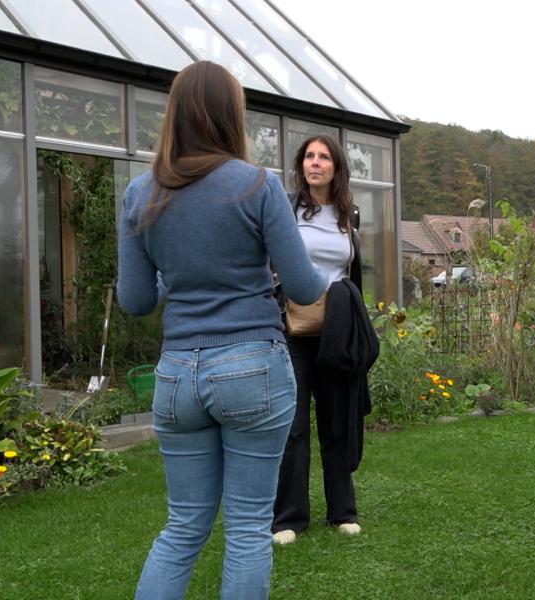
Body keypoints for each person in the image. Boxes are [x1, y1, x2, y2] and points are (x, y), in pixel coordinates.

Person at [117, 61, 326, 599]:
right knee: (249, 530)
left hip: (178, 377)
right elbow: (304, 288)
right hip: (252, 367)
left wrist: (177, 275)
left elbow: (136, 300)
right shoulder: (256, 185)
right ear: (231, 114)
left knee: (183, 527)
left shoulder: (140, 194)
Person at [272, 135, 369, 544]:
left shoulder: (350, 215)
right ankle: (290, 518)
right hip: (294, 329)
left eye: (323, 157)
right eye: (309, 156)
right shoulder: (288, 209)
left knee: (336, 421)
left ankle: (342, 512)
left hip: (336, 331)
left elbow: (351, 273)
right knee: (293, 425)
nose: (315, 163)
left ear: (335, 167)